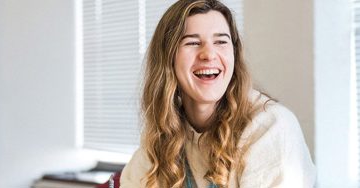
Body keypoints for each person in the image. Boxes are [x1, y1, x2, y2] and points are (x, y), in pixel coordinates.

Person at [120, 0, 316, 187]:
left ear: (234, 54)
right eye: (192, 43)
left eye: (221, 41)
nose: (209, 54)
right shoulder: (164, 131)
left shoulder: (271, 127)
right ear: (168, 58)